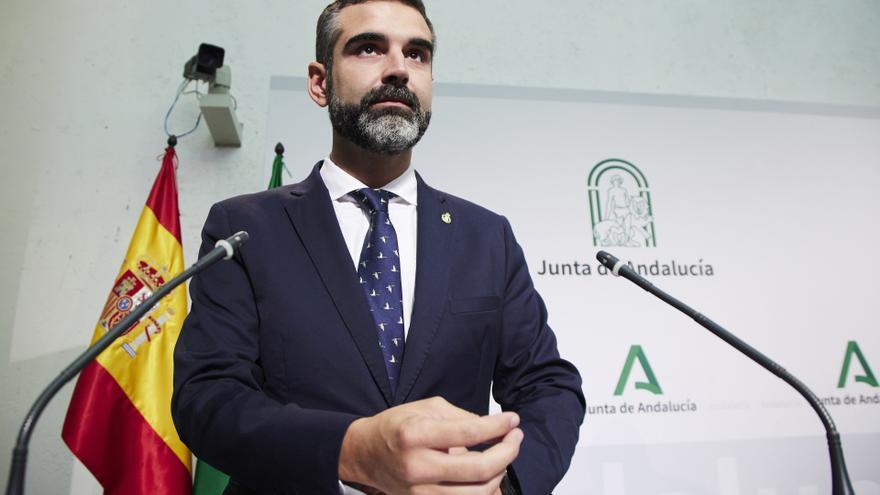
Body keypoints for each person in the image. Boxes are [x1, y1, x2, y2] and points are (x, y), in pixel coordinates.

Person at [171, 1, 585, 494]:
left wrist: (506, 484)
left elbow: (549, 386)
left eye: (417, 54)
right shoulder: (243, 227)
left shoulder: (485, 236)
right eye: (369, 48)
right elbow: (208, 396)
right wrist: (350, 450)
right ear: (319, 82)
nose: (398, 70)